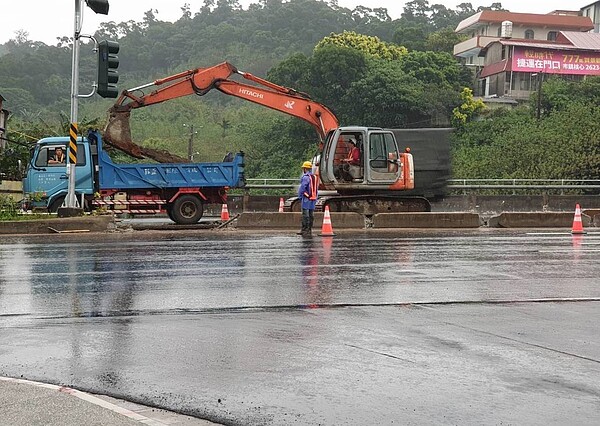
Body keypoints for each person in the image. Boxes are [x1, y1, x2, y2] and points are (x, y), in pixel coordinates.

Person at [297, 160, 318, 236]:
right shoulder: (315, 177)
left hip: (306, 198)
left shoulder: (305, 177)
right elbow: (316, 188)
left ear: (305, 169)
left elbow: (302, 188)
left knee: (305, 214)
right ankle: (309, 229)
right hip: (313, 198)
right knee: (311, 214)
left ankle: (304, 229)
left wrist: (300, 196)